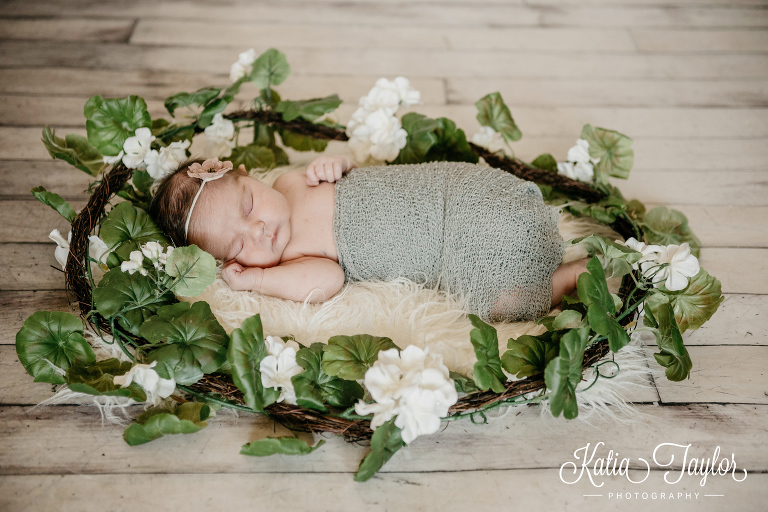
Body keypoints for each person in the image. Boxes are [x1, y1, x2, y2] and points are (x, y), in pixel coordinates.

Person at [149, 155, 589, 323]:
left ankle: (527, 229)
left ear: (247, 174)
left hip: (450, 194)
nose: (258, 231)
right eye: (240, 247)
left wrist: (336, 165)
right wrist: (258, 282)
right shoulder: (290, 259)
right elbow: (329, 279)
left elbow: (368, 171)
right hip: (441, 246)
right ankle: (570, 278)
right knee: (502, 302)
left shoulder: (292, 179)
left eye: (248, 208)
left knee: (493, 208)